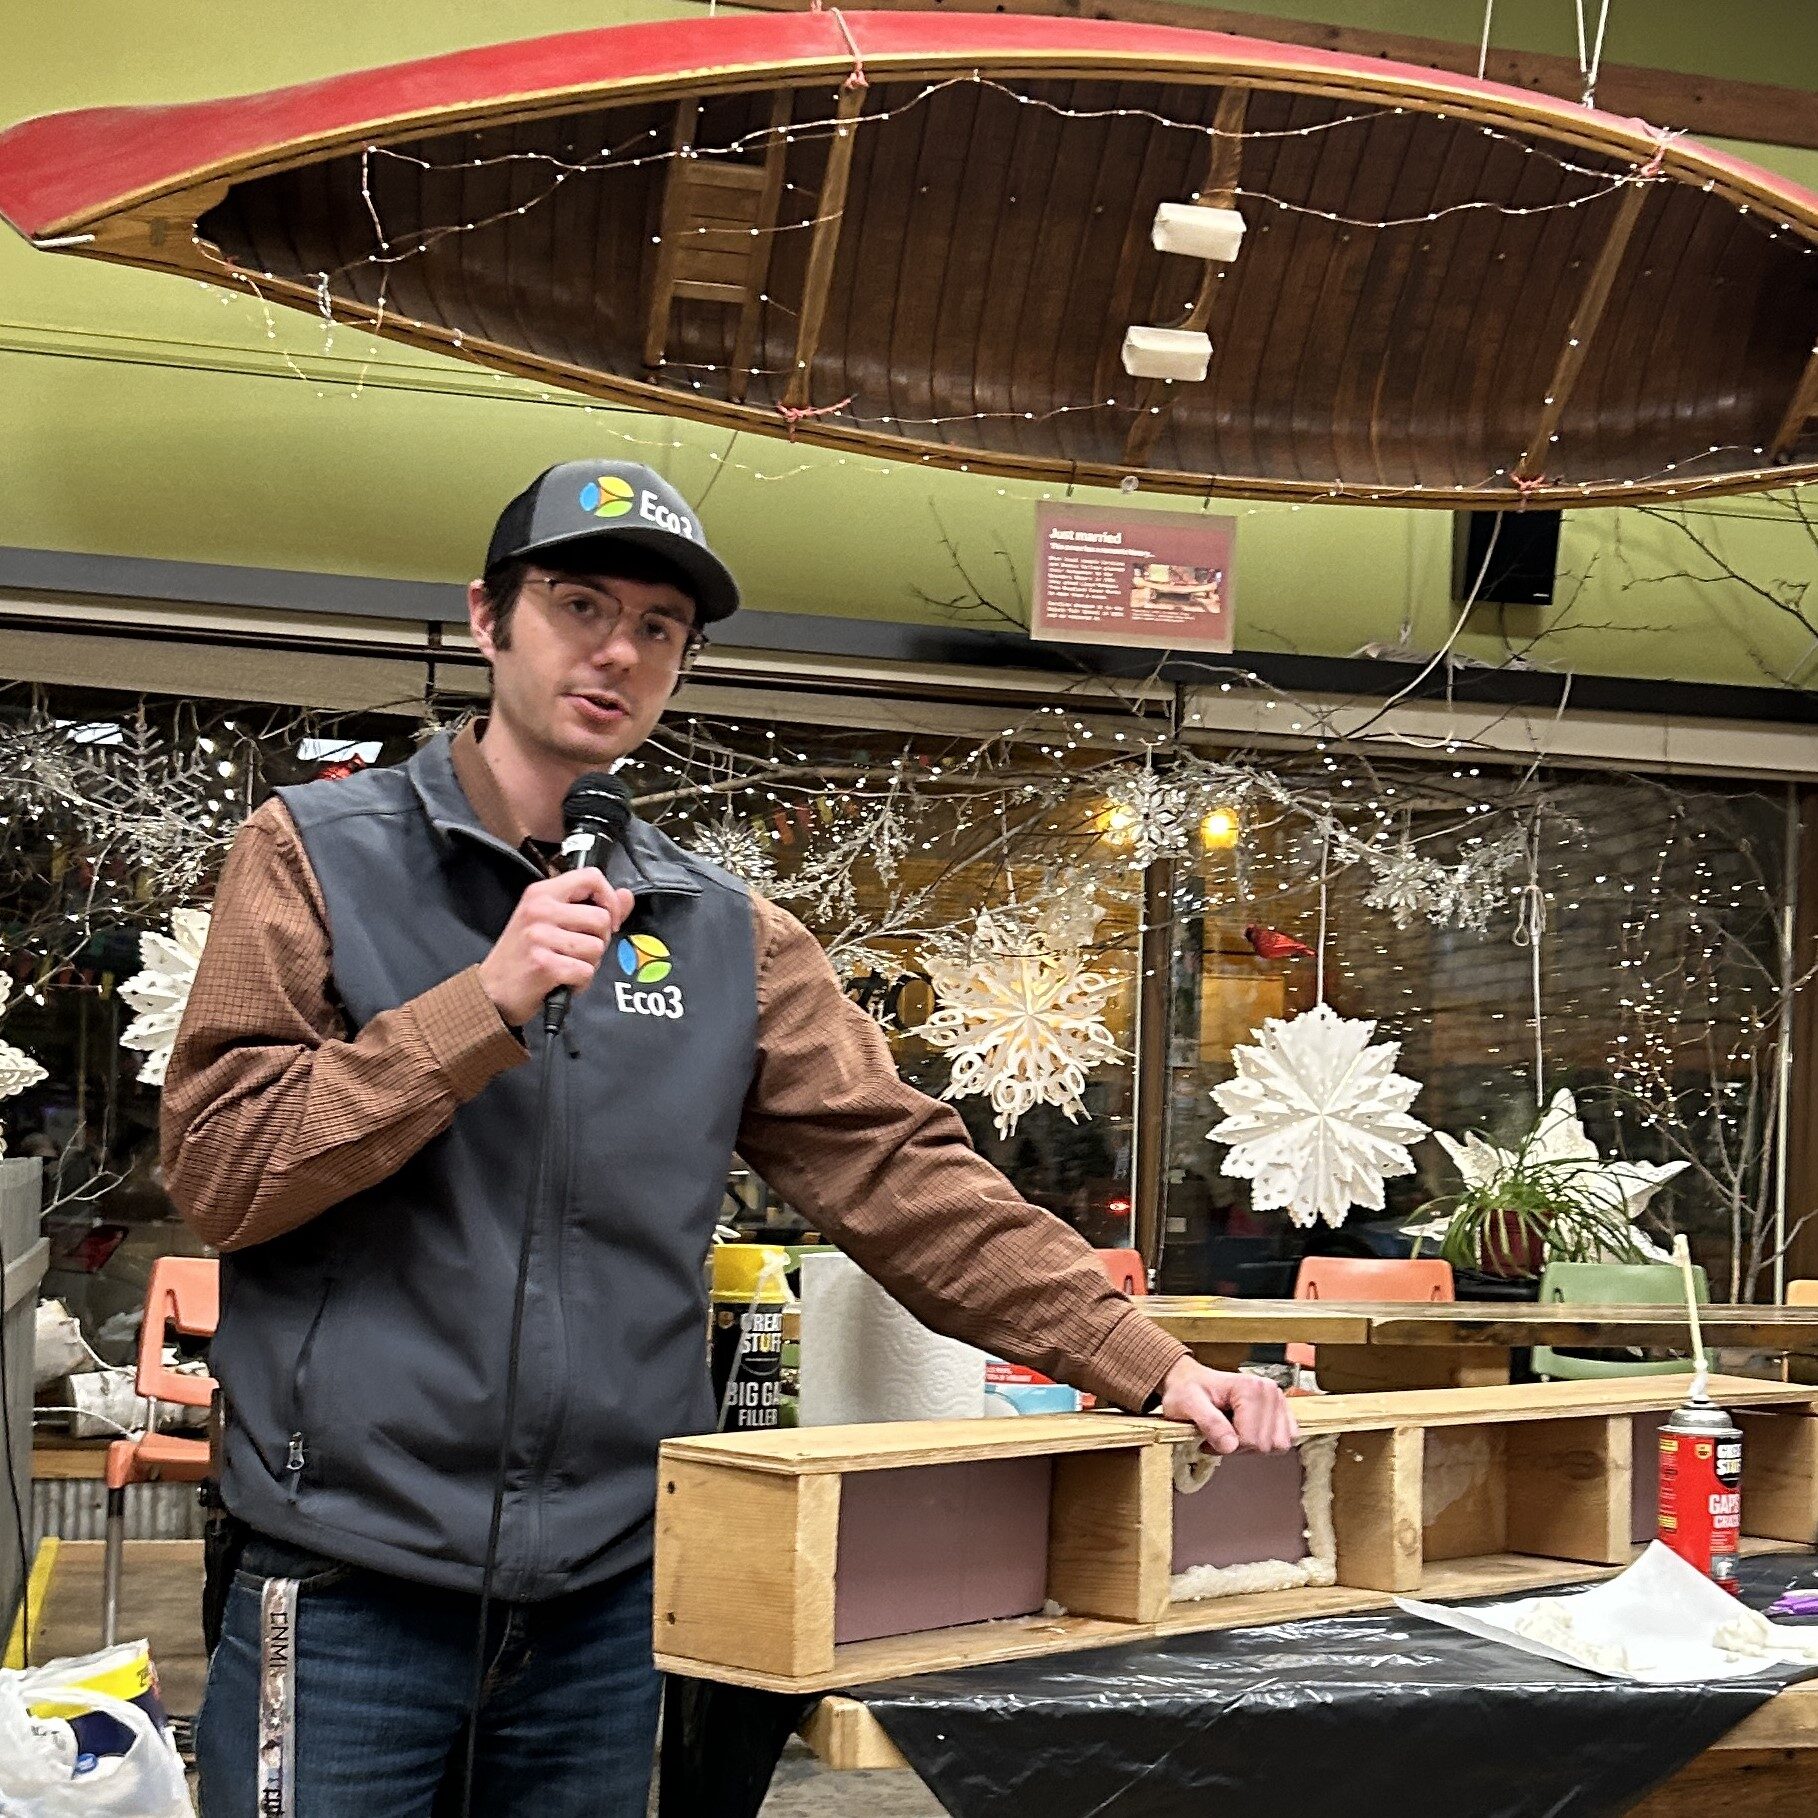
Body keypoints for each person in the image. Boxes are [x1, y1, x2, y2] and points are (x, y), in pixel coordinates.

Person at [162, 461, 1297, 1817]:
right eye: (579, 602)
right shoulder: (311, 853)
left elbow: (902, 1175)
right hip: (346, 1579)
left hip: (605, 1600)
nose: (618, 648)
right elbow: (225, 1171)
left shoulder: (722, 933)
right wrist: (481, 1004)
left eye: (658, 626)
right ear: (487, 617)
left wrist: (1146, 1360)